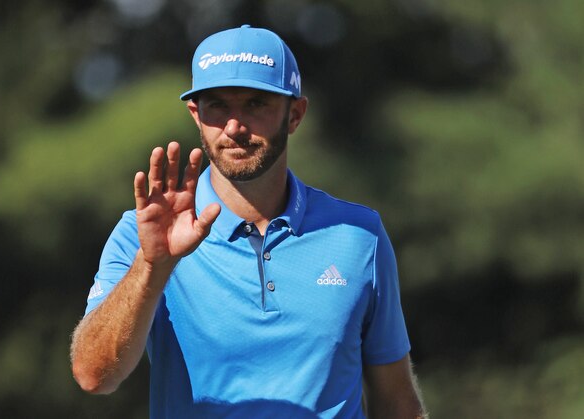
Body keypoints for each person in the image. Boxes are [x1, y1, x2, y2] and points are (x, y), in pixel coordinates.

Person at [70, 24, 427, 418]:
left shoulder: (359, 235)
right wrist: (152, 267)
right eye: (217, 106)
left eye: (256, 104)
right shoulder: (143, 234)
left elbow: (396, 401)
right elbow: (94, 376)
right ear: (196, 114)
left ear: (295, 114)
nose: (234, 126)